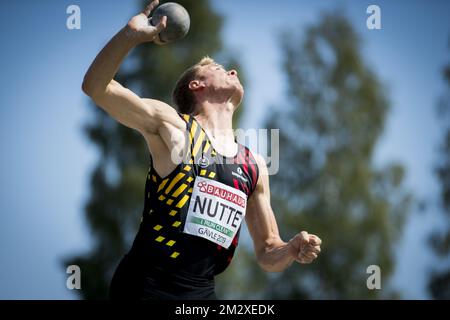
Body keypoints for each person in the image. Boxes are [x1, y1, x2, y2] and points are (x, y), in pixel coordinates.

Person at [82, 0, 322, 300]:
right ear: (197, 85)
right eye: (219, 69)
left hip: (200, 294)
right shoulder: (173, 127)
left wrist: (291, 249)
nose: (232, 69)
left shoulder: (254, 165)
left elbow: (267, 250)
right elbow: (96, 87)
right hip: (144, 286)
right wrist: (130, 35)